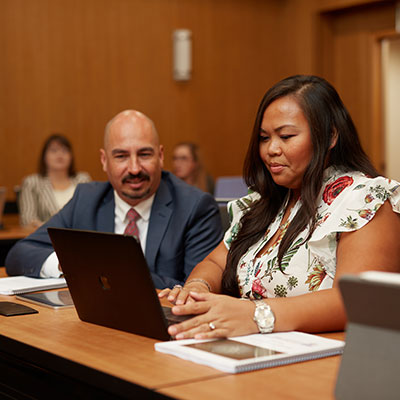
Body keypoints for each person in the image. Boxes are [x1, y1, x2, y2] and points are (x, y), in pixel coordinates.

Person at [160, 75, 400, 339]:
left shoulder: (365, 199)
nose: (271, 149)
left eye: (286, 136)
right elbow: (216, 263)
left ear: (330, 136)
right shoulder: (263, 203)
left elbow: (357, 301)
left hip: (321, 361)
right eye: (264, 138)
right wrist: (197, 289)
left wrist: (256, 315)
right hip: (255, 350)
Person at [6, 110, 223, 289]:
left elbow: (198, 288)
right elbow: (20, 255)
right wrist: (68, 265)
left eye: (145, 154)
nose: (135, 168)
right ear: (104, 160)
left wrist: (103, 271)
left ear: (161, 156)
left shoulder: (196, 207)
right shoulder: (87, 199)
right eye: (121, 156)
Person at [19, 134, 91, 227]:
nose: (60, 155)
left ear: (71, 156)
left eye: (65, 151)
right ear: (44, 157)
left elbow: (90, 214)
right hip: (45, 237)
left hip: (80, 235)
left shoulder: (83, 180)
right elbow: (27, 220)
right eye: (54, 150)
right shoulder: (32, 183)